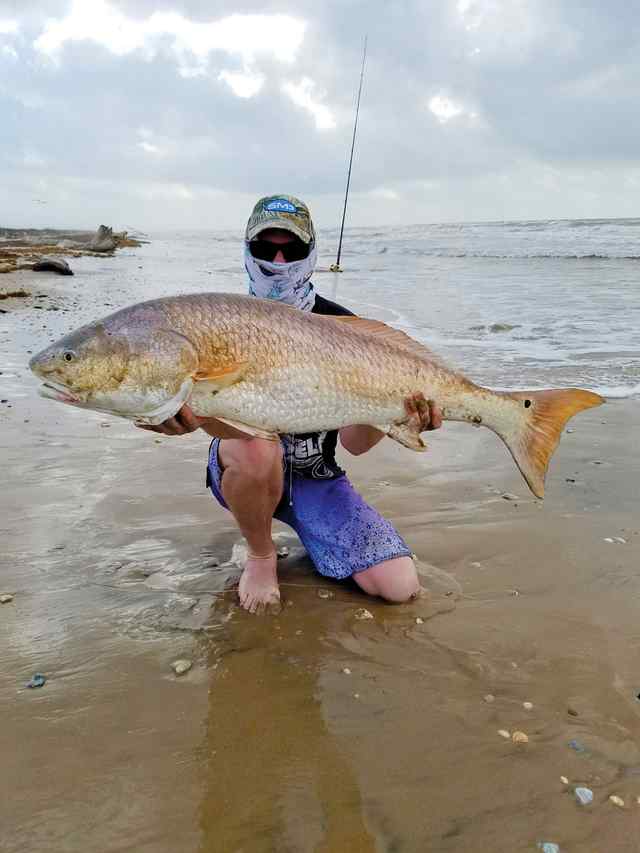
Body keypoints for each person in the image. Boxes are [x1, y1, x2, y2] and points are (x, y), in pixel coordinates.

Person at [139, 195, 442, 614]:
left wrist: (398, 414)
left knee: (398, 587)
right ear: (247, 251)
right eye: (266, 248)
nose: (279, 260)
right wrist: (184, 417)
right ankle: (261, 555)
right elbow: (225, 422)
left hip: (317, 475)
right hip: (246, 467)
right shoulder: (220, 321)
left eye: (292, 249)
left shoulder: (345, 327)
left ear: (311, 253)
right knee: (259, 447)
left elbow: (355, 443)